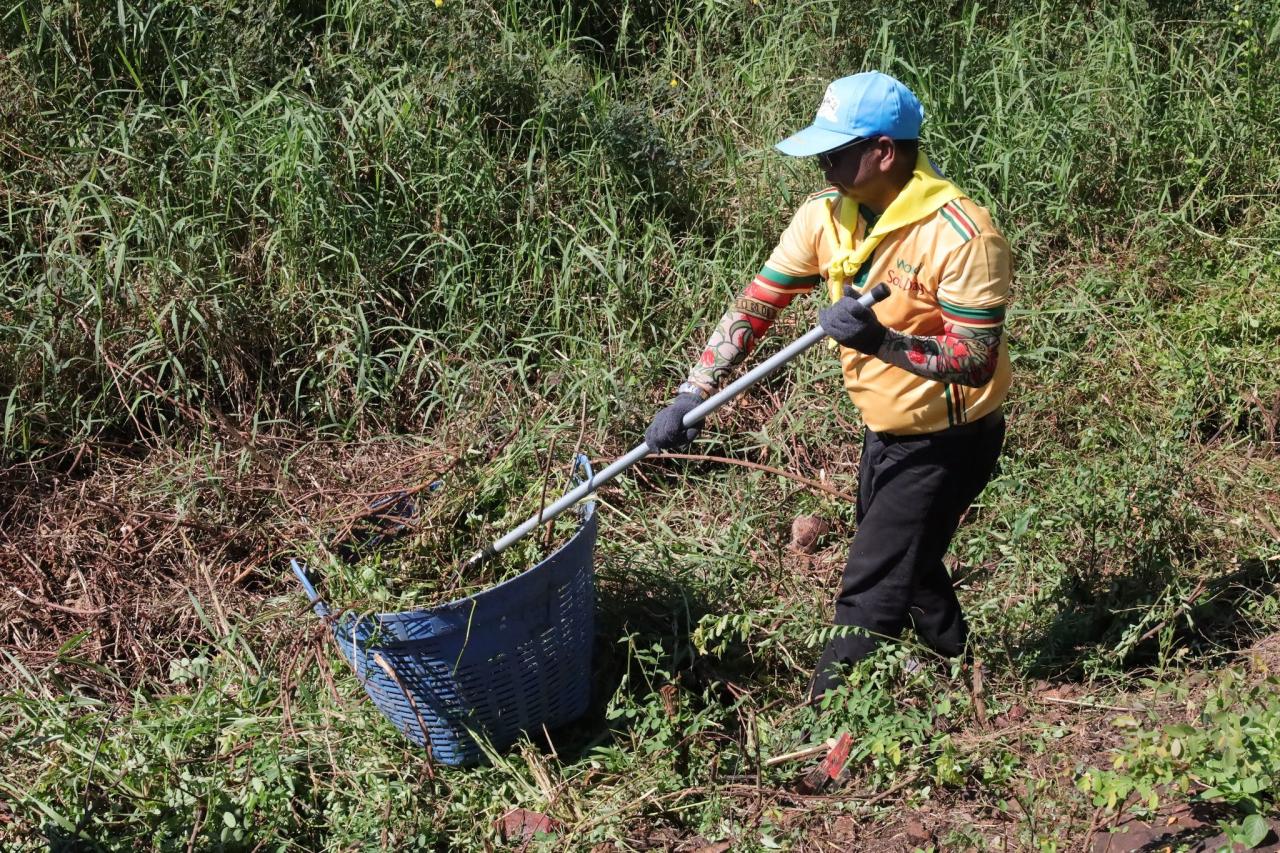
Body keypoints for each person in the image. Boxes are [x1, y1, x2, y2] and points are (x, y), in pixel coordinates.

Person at [644, 71, 1011, 697]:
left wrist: (879, 342)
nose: (822, 164)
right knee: (910, 566)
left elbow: (974, 358)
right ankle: (970, 675)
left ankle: (827, 726)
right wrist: (695, 390)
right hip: (885, 428)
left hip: (948, 439)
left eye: (835, 153)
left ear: (884, 153)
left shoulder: (962, 234)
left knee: (871, 582)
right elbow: (757, 305)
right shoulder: (824, 217)